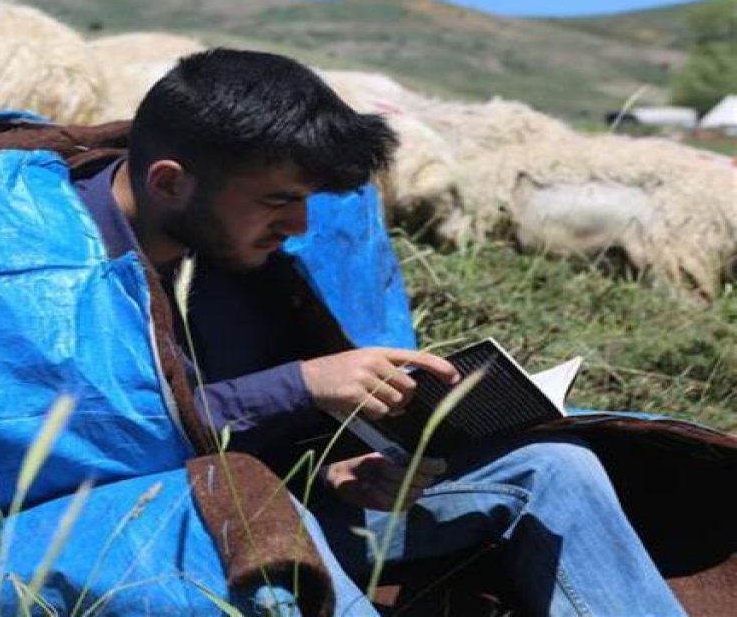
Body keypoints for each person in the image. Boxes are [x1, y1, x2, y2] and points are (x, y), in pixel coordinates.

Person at [71, 48, 684, 616]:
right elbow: (85, 441)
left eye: (307, 199)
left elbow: (263, 438)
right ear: (169, 183)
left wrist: (336, 475)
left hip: (283, 507)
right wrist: (301, 384)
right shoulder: (48, 270)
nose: (299, 225)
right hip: (130, 535)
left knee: (552, 469)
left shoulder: (232, 260)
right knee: (273, 522)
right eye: (278, 200)